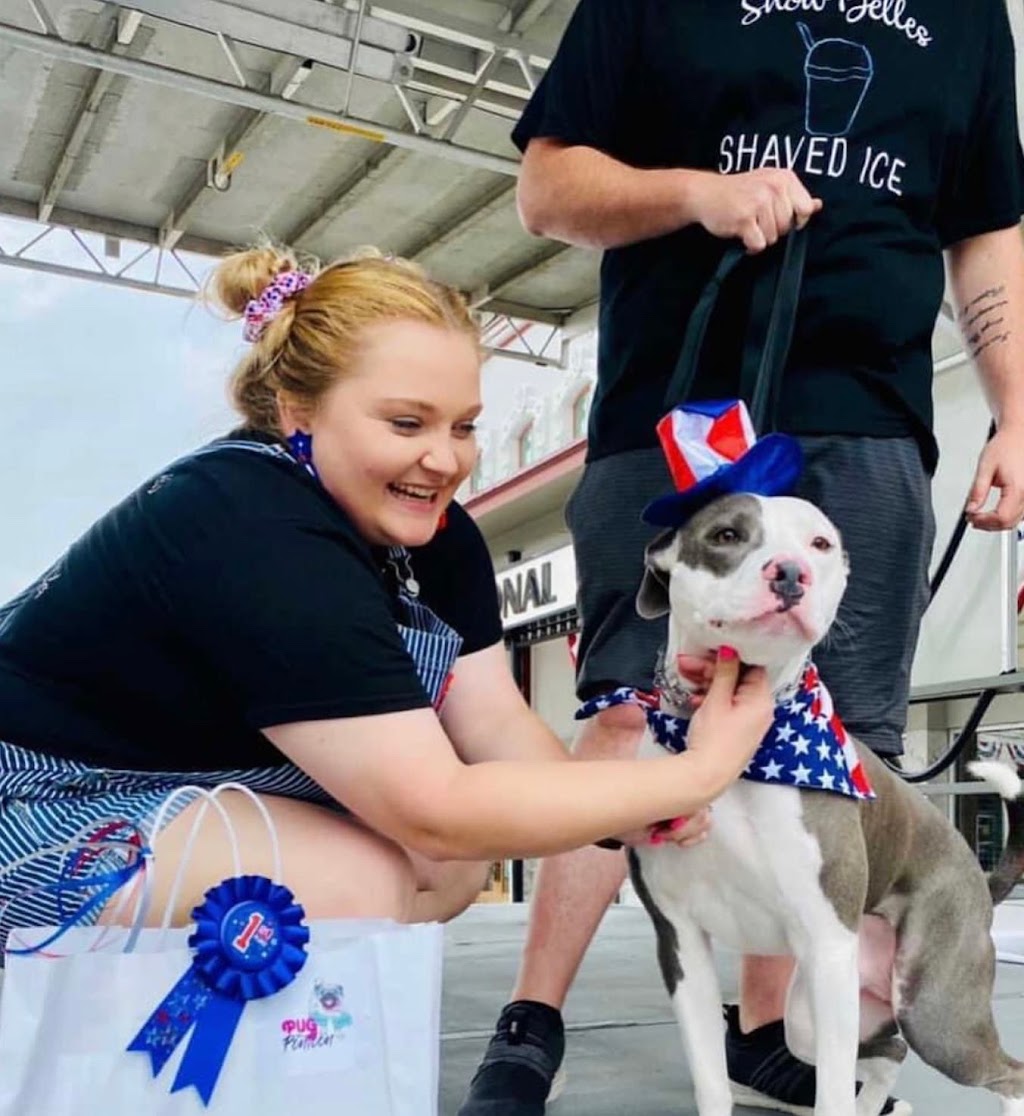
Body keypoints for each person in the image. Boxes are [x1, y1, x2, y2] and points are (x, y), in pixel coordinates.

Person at [458, 2, 1024, 1114]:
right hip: (676, 410)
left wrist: (1011, 410)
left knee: (833, 745)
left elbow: (987, 227)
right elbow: (547, 188)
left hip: (868, 421)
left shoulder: (963, 18)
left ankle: (768, 1029)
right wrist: (697, 193)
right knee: (629, 711)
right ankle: (532, 1024)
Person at [0, 245, 775, 952]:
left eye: (464, 425)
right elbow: (433, 803)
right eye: (406, 423)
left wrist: (628, 805)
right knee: (347, 884)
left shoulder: (440, 536)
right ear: (298, 415)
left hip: (180, 786)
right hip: (36, 799)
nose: (444, 459)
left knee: (444, 869)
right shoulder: (247, 520)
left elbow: (496, 726)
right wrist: (699, 772)